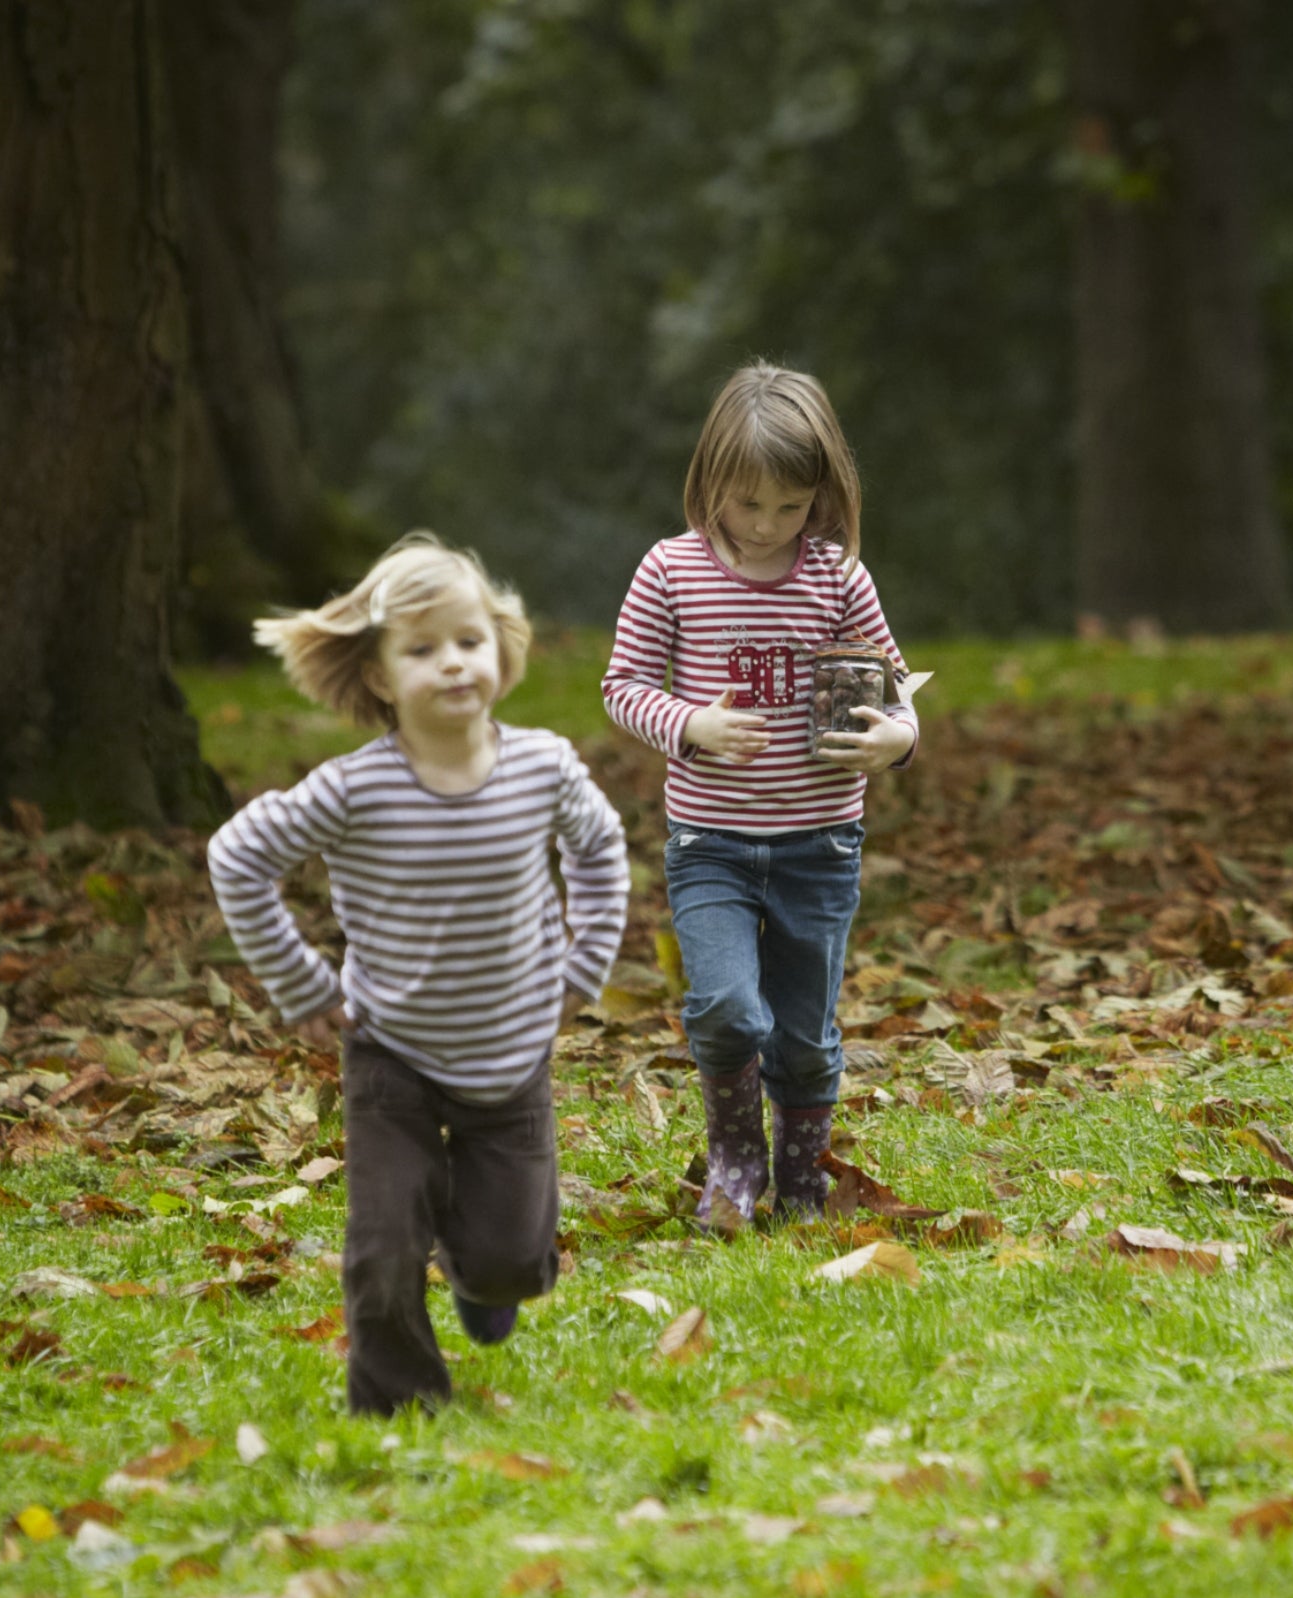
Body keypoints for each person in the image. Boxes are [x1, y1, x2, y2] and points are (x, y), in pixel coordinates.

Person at [209, 534, 629, 1415]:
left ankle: (485, 1276)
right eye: (422, 649)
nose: (452, 666)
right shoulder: (353, 790)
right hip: (389, 1051)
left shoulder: (543, 768)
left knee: (513, 1254)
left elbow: (600, 850)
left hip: (511, 1056)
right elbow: (237, 856)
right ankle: (398, 1400)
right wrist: (304, 986)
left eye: (469, 643)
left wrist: (582, 965)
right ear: (378, 676)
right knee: (382, 1243)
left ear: (503, 651)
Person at [602, 363, 918, 1228]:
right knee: (728, 1009)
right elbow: (623, 684)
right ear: (711, 483)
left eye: (792, 506)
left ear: (823, 493)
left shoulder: (838, 577)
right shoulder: (671, 570)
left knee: (808, 1035)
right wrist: (690, 723)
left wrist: (897, 739)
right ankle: (737, 1161)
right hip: (713, 844)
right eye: (749, 506)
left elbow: (894, 689)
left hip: (820, 847)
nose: (770, 526)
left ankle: (803, 1180)